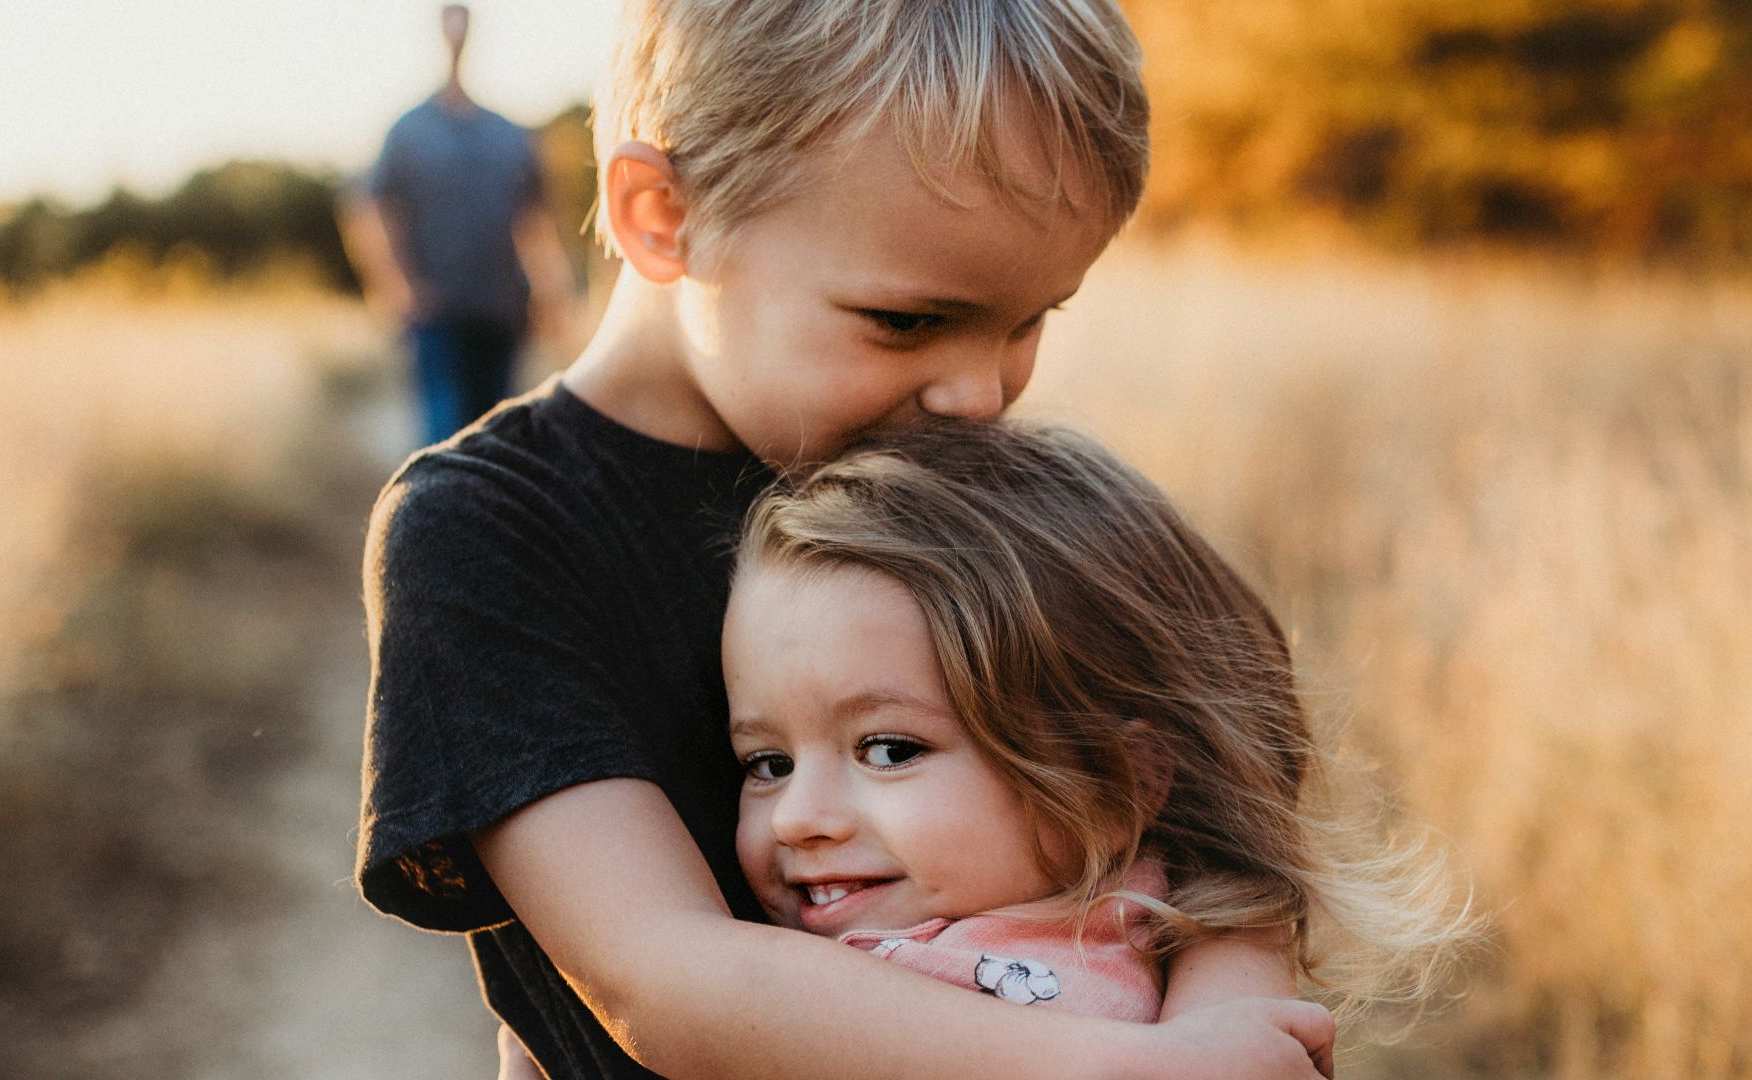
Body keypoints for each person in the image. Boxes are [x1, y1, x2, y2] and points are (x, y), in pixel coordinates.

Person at [357, 2, 1337, 1077]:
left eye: (1029, 321)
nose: (978, 395)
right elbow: (665, 979)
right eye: (908, 322)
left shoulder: (963, 479)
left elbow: (1230, 814)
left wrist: (1219, 1030)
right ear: (660, 214)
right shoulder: (491, 533)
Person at [724, 420, 1471, 1025]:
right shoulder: (1182, 962)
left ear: (1120, 782)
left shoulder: (1012, 1012)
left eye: (888, 749)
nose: (797, 820)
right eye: (767, 763)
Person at [338, 3, 572, 446]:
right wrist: (394, 286)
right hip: (437, 315)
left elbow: (537, 220)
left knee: (494, 438)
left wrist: (552, 293)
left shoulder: (507, 134)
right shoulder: (408, 131)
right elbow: (369, 208)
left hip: (502, 310)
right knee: (445, 439)